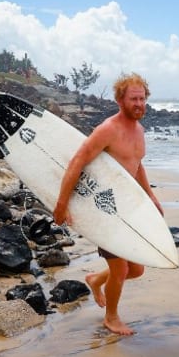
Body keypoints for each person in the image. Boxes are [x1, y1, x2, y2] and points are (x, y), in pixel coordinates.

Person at [53, 73, 162, 336]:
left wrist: (151, 196)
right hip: (104, 208)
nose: (139, 103)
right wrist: (61, 203)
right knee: (121, 268)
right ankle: (111, 317)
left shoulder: (139, 131)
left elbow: (136, 164)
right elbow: (77, 162)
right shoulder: (107, 130)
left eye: (142, 98)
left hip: (126, 209)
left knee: (135, 269)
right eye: (134, 99)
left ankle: (95, 279)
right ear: (120, 100)